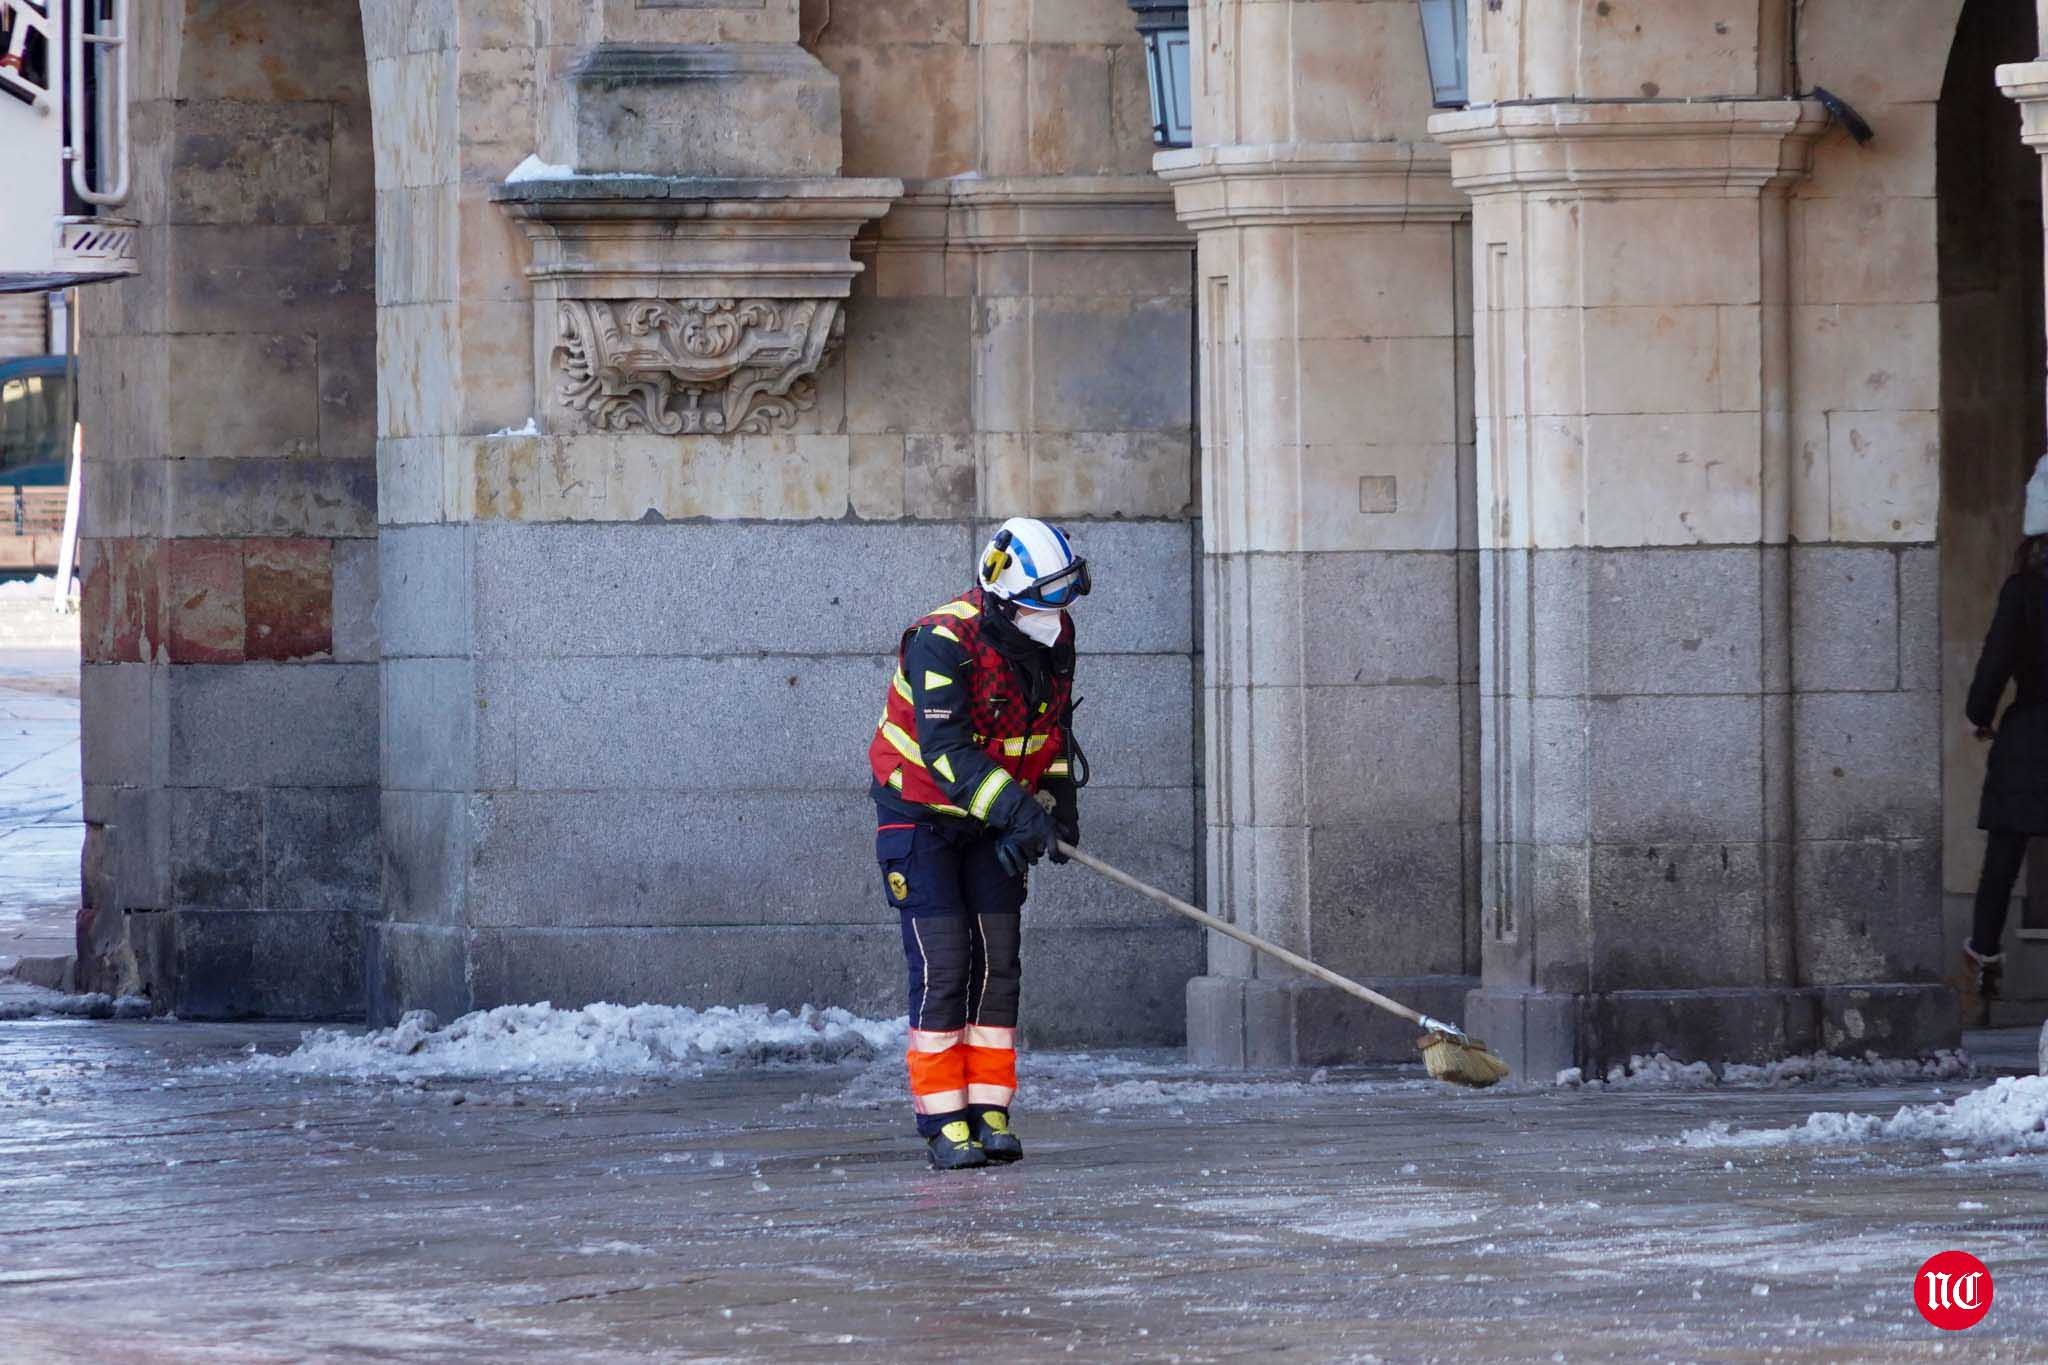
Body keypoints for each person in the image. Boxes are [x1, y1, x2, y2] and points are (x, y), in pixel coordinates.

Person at [866, 518, 1088, 1170]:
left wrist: (1057, 806)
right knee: (945, 967)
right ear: (1005, 596)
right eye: (1047, 597)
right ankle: (943, 1120)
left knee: (998, 964)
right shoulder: (942, 641)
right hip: (921, 818)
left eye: (1065, 594)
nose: (1060, 611)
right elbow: (946, 753)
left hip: (995, 816)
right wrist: (1020, 813)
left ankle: (990, 1108)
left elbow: (1049, 730)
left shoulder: (1054, 634)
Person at [1960, 455, 2048, 1024]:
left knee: (2002, 863)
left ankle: (1982, 978)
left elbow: (1995, 662)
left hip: (2031, 736)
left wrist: (1980, 713)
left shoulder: (2024, 589)